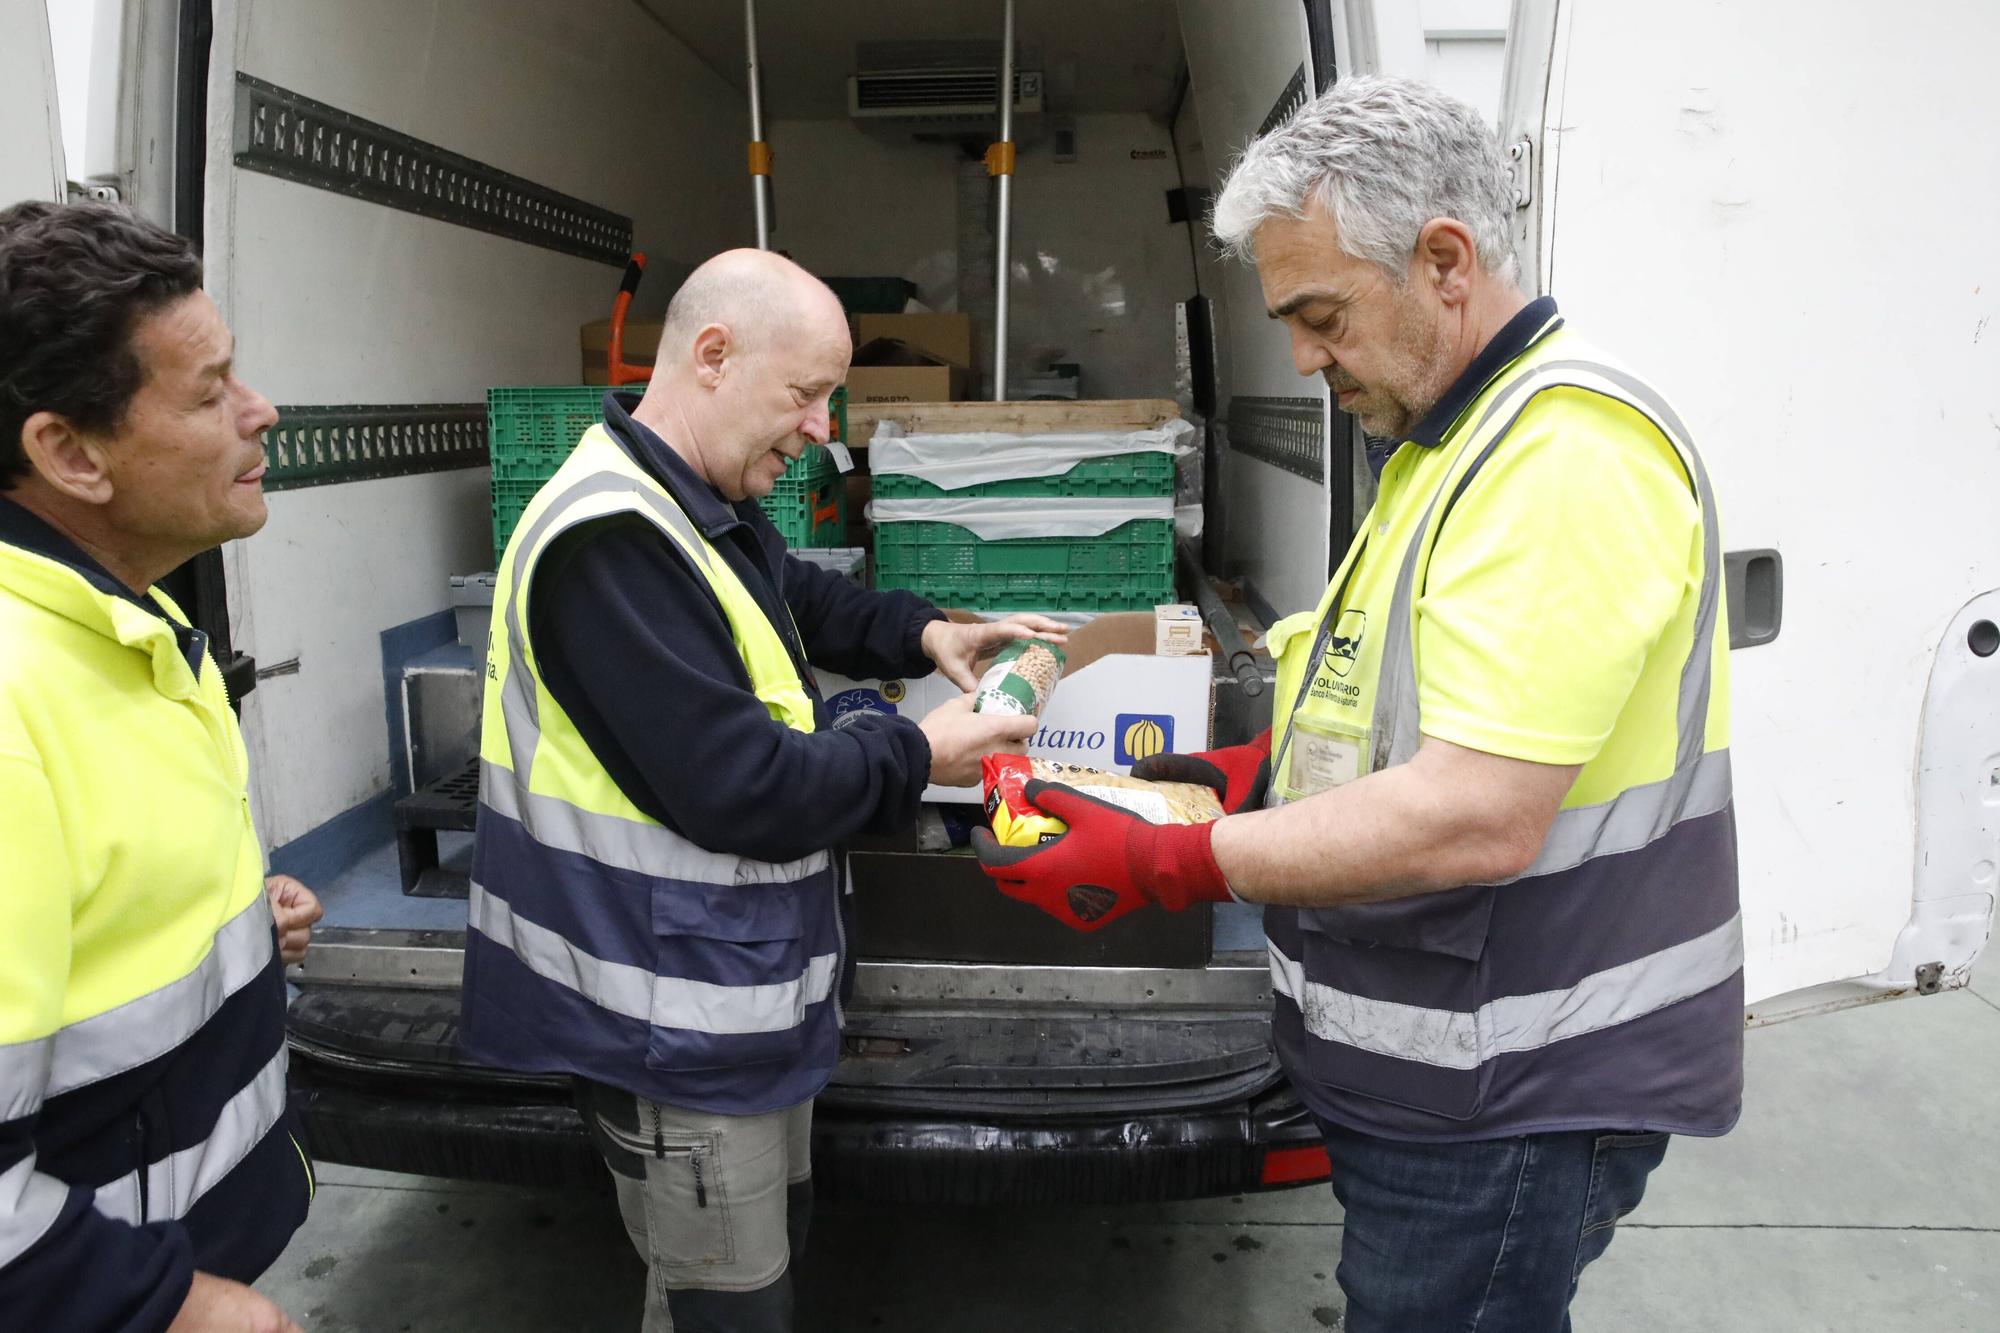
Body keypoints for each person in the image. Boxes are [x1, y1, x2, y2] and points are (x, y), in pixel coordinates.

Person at [975, 76, 1741, 1331]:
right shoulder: (1449, 442)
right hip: (1442, 1073)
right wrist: (1238, 775)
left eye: (1319, 313)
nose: (1302, 356)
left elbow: (1475, 814)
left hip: (1507, 1091)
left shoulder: (1555, 459)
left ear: (1442, 259)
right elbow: (1386, 695)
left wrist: (1171, 854)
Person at [460, 248, 1053, 1332]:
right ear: (713, 356)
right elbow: (744, 788)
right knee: (726, 1309)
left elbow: (788, 596)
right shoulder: (610, 540)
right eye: (808, 393)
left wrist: (928, 631)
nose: (823, 428)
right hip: (666, 1022)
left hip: (730, 1002)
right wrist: (923, 754)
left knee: (741, 1278)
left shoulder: (679, 497)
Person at [0, 200, 324, 1333]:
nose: (259, 410)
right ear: (69, 451)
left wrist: (235, 919)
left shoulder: (129, 627)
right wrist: (173, 1307)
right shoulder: (12, 705)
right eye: (208, 391)